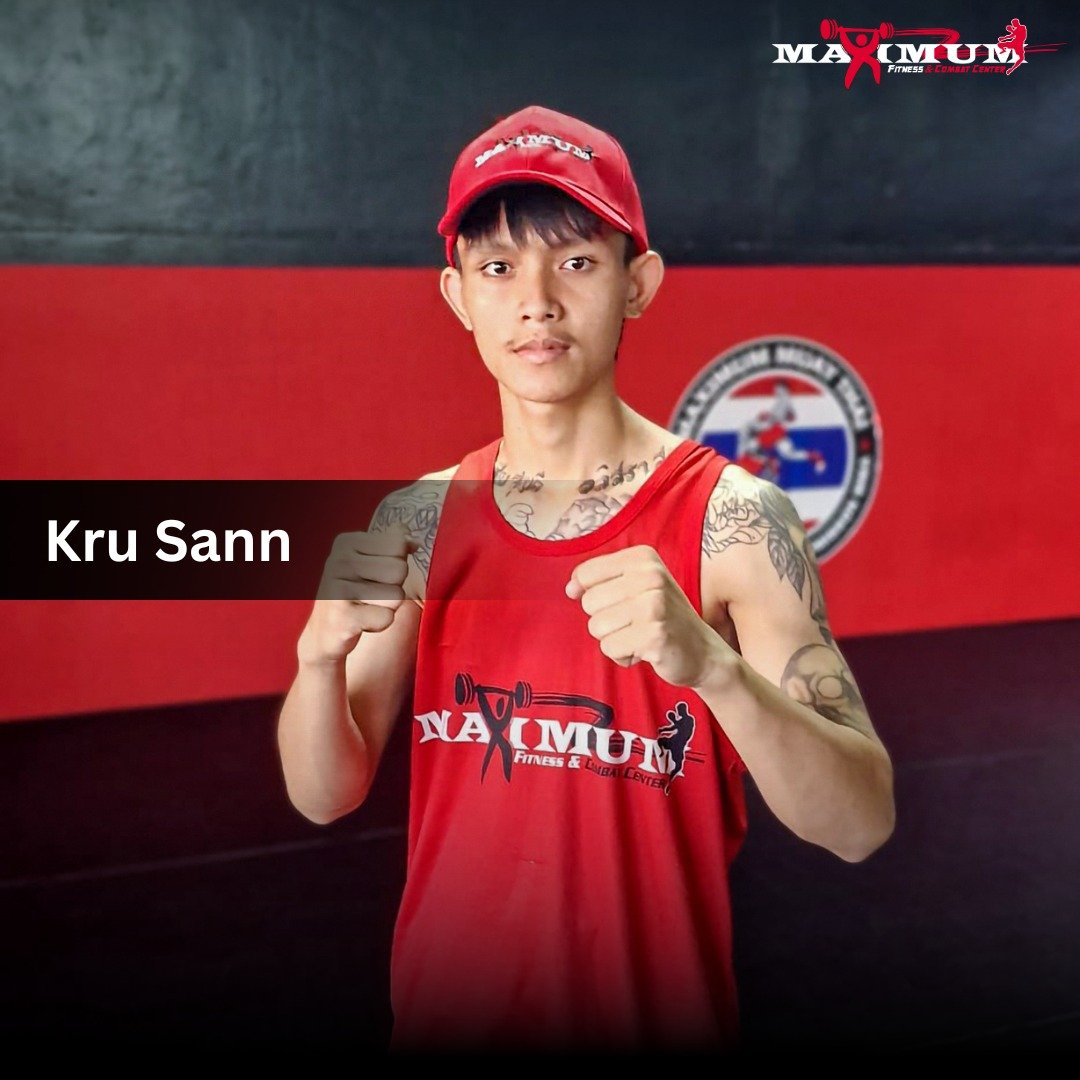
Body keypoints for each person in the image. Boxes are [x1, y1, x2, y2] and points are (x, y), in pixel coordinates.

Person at [276, 104, 895, 1055]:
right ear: (456, 296)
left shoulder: (732, 520)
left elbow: (859, 823)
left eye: (574, 262)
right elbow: (324, 794)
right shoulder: (416, 520)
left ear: (636, 284)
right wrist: (317, 660)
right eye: (498, 268)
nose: (537, 302)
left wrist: (714, 669)